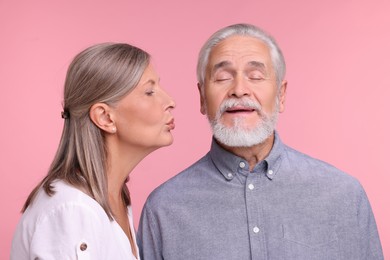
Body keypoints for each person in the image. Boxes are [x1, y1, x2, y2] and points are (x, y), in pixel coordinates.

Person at [137, 23, 384, 259]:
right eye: (223, 77)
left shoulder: (343, 195)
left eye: (255, 76)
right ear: (202, 97)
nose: (239, 90)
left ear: (281, 95)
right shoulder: (163, 209)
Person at [11, 43, 175, 259]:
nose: (170, 102)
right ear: (105, 117)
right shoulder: (74, 210)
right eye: (149, 92)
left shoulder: (114, 198)